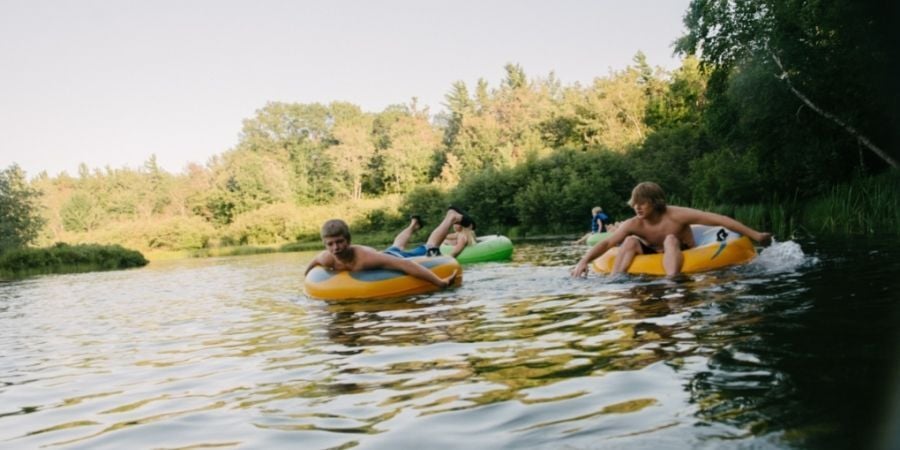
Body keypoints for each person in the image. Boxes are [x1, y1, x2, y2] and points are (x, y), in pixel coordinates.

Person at [571, 182, 773, 278]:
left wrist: (756, 235)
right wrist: (583, 261)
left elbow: (719, 220)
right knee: (630, 241)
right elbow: (607, 242)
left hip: (684, 250)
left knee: (670, 239)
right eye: (635, 204)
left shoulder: (677, 215)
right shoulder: (635, 223)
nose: (637, 208)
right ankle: (615, 281)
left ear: (655, 202)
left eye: (642, 203)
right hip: (652, 251)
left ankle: (671, 280)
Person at [304, 208, 469, 288]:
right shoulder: (326, 258)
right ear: (325, 245)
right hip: (389, 253)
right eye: (330, 244)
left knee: (430, 246)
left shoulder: (364, 258)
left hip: (393, 258)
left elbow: (406, 265)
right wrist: (305, 280)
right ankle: (413, 225)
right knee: (396, 245)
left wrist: (439, 282)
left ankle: (450, 217)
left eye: (339, 242)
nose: (336, 248)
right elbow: (312, 264)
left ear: (348, 241)